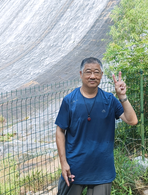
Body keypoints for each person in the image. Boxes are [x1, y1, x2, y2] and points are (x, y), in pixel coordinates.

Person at [55, 57, 138, 195]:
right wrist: (63, 162)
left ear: (101, 75)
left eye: (96, 72)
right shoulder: (70, 100)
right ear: (81, 74)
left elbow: (132, 120)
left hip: (102, 171)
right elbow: (60, 131)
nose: (92, 76)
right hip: (74, 168)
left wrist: (122, 96)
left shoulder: (109, 100)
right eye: (88, 72)